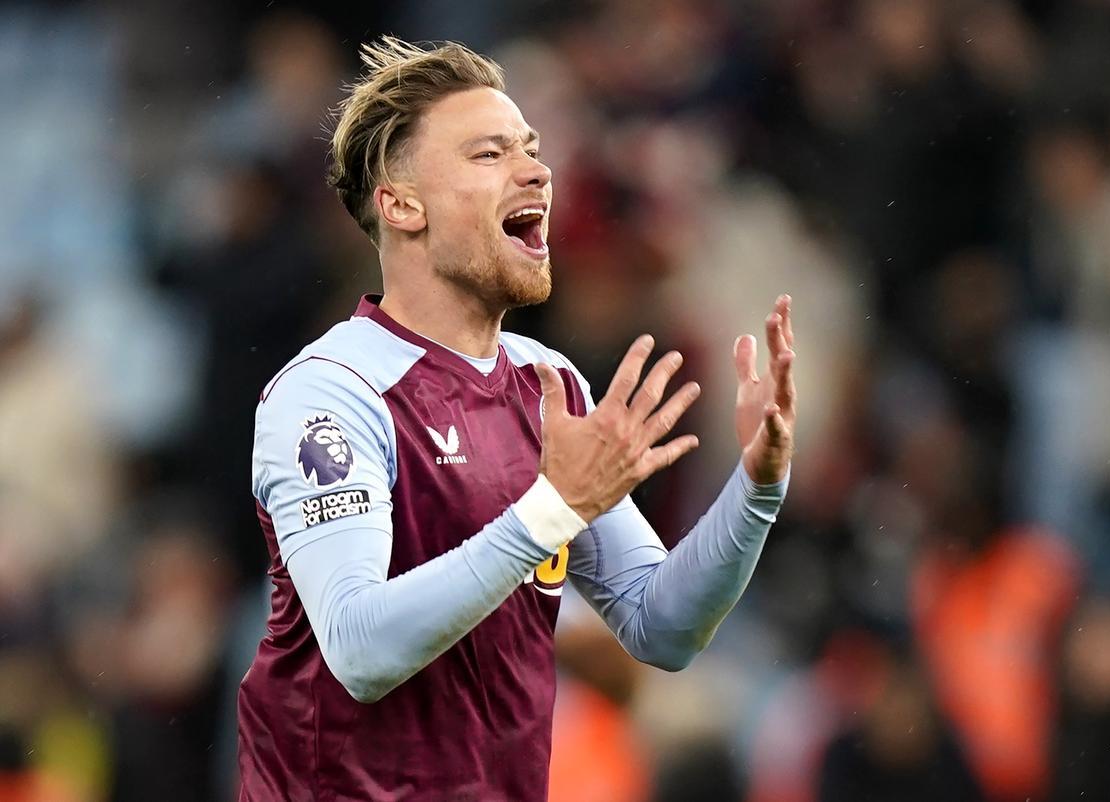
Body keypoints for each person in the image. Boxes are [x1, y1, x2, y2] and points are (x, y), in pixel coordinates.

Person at [236, 37, 795, 801]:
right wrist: (550, 511)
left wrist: (759, 485)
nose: (537, 170)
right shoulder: (330, 394)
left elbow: (660, 627)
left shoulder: (548, 384)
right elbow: (360, 648)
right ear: (402, 204)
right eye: (489, 154)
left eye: (531, 150)